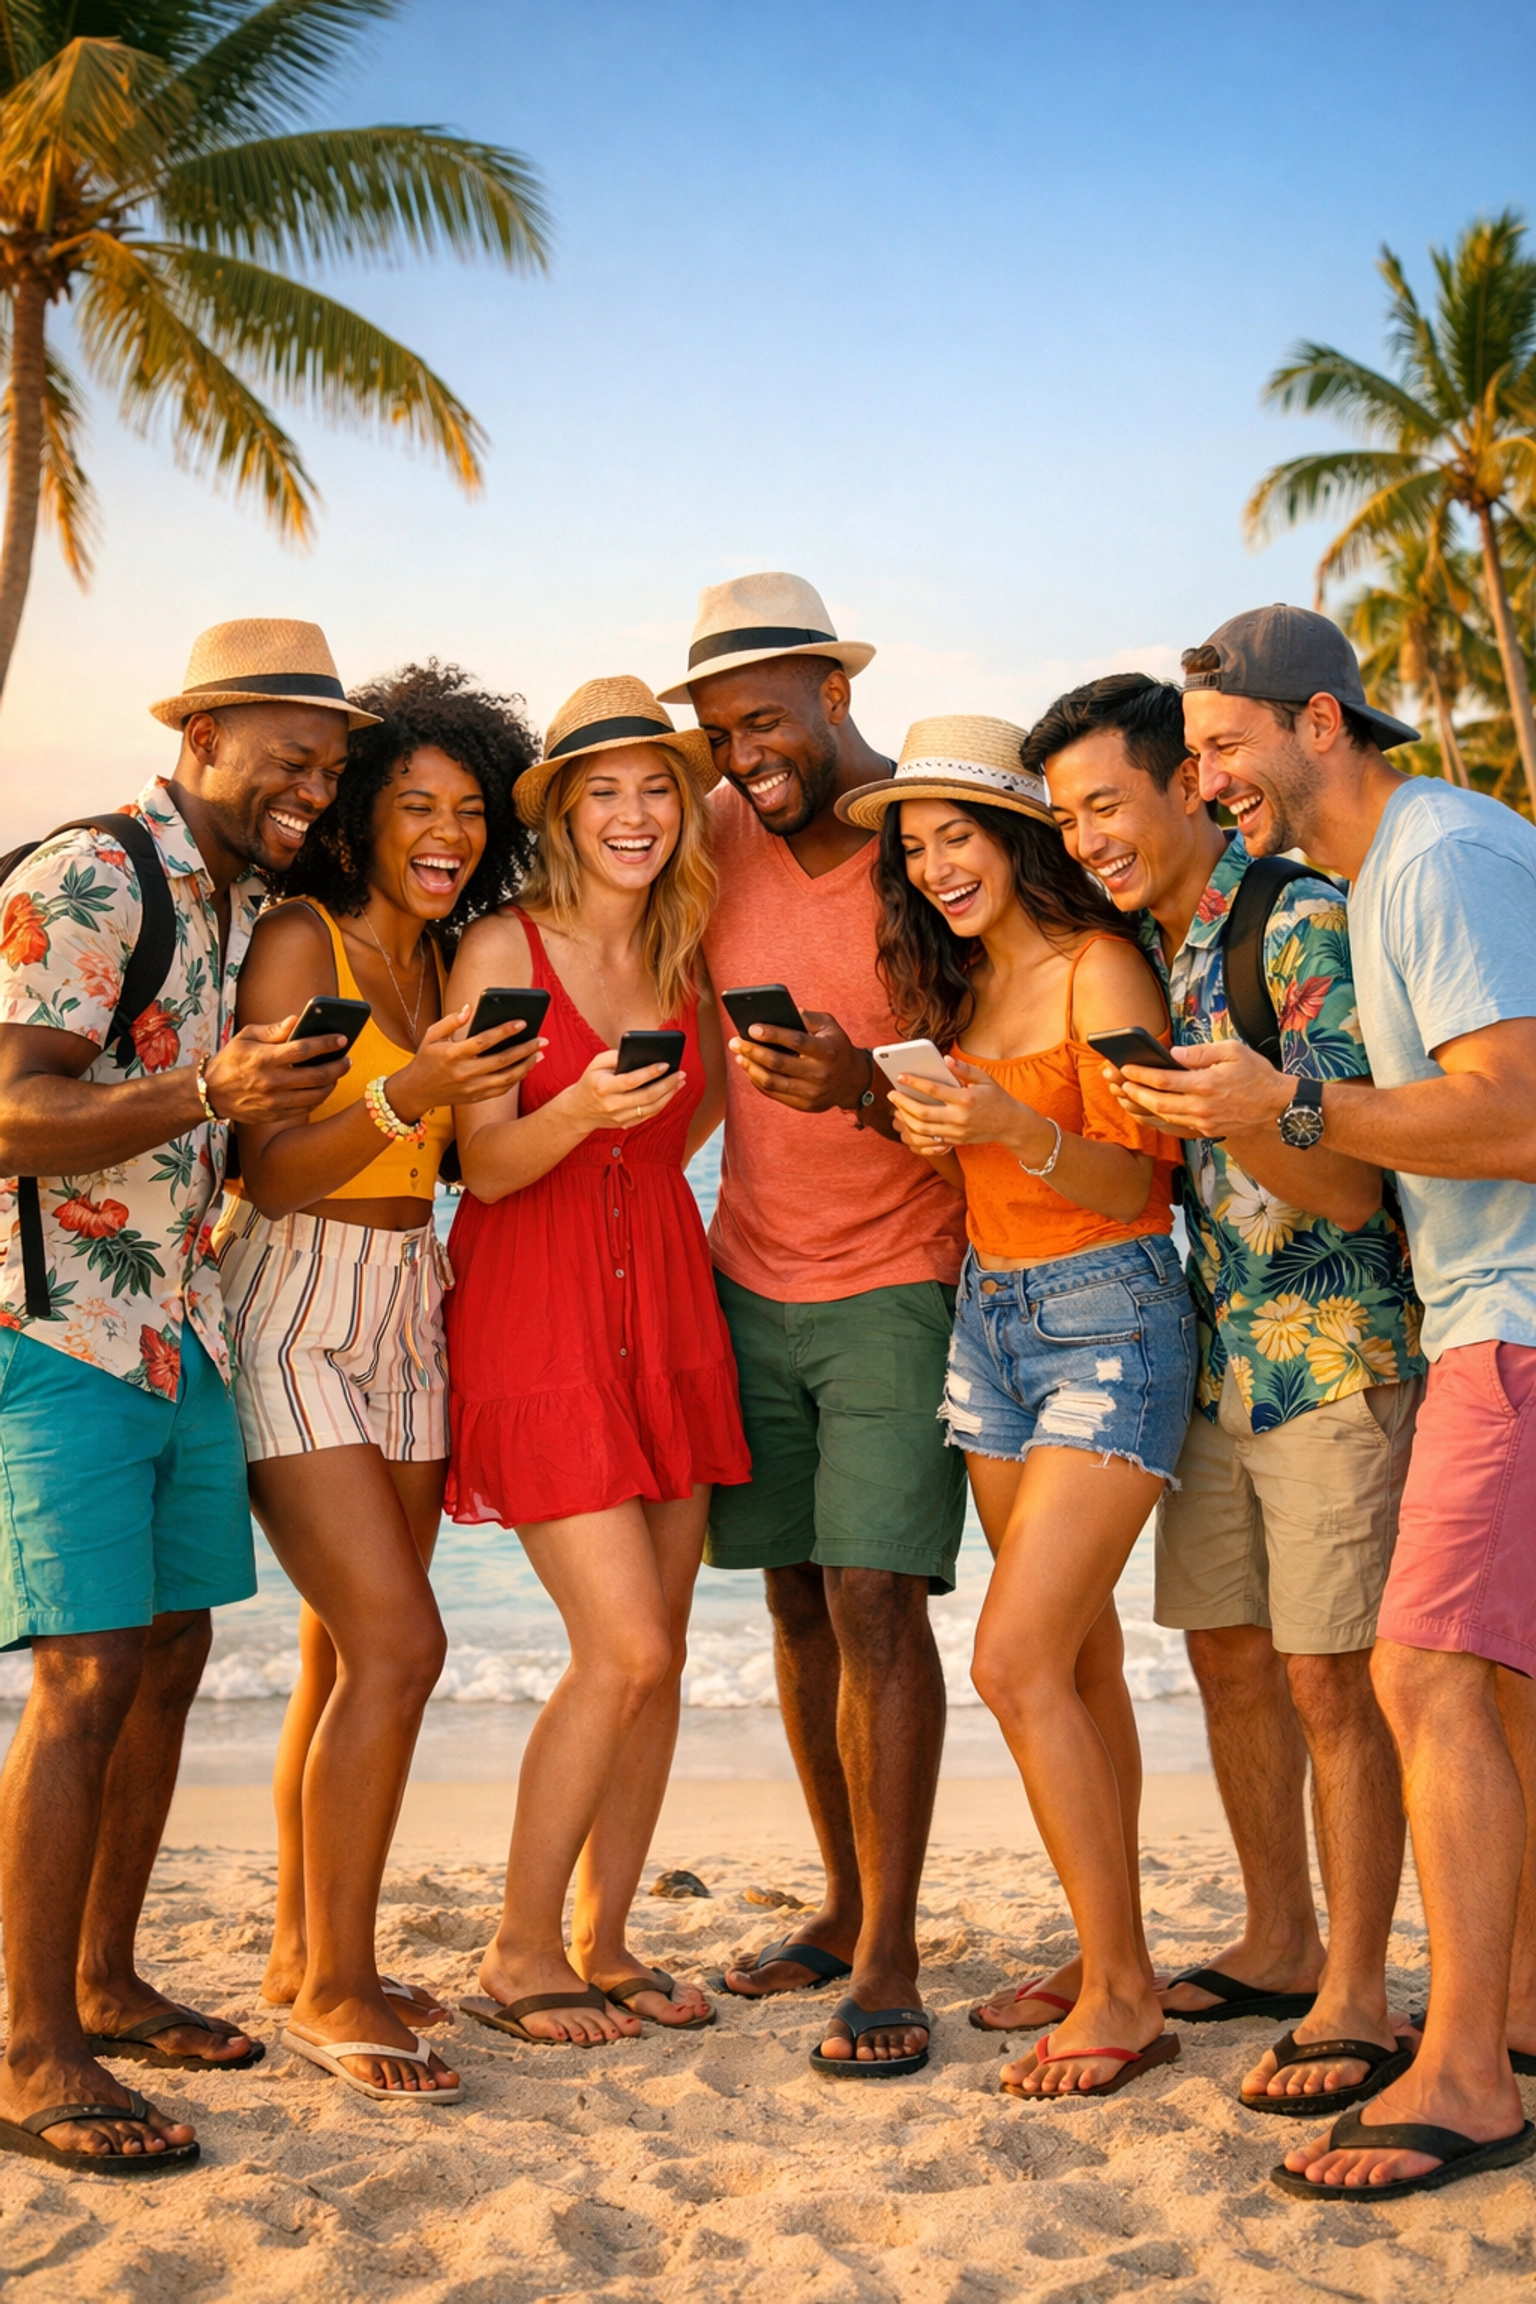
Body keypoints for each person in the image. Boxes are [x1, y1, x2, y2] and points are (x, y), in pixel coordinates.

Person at [1118, 602, 1536, 2199]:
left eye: (1223, 746)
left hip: (1508, 1311)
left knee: (1422, 1673)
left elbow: (1517, 1115)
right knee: (1486, 1682)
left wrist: (1287, 1099)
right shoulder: (1396, 871)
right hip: (1485, 1313)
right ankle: (1512, 2015)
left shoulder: (1431, 857)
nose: (1208, 777)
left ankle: (1466, 2073)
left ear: (1319, 726)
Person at [0, 620, 362, 2173]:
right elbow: (11, 1110)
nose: (311, 786)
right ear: (202, 732)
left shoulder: (243, 902)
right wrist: (205, 1093)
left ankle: (105, 1980)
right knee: (82, 1674)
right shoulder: (93, 877)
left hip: (179, 1322)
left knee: (169, 1651)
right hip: (54, 1332)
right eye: (289, 755)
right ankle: (29, 2051)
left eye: (330, 767)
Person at [1037, 671, 1424, 2119]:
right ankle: (1277, 1937)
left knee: (1336, 1677)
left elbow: (1355, 1172)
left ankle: (1359, 1990)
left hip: (1334, 1354)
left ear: (1186, 786)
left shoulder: (1292, 918)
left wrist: (1236, 1115)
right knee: (1231, 1656)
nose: (1089, 839)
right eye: (1068, 819)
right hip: (1214, 1356)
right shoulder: (1145, 942)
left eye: (1108, 806)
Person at [847, 714, 1193, 2098]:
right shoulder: (965, 988)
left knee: (1011, 1659)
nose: (935, 865)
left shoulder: (1101, 966)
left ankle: (1122, 1995)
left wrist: (1007, 1127)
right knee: (1080, 1667)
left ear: (1017, 838)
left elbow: (1134, 1182)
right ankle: (1116, 1954)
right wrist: (938, 1133)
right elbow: (994, 1180)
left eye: (958, 836)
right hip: (990, 1326)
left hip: (1112, 1317)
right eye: (915, 846)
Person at [217, 663, 543, 2102]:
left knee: (346, 1656)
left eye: (468, 810)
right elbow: (271, 1168)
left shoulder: (446, 957)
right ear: (358, 815)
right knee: (403, 1649)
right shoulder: (307, 942)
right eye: (415, 804)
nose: (447, 832)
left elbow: (459, 1157)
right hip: (298, 1296)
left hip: (416, 1298)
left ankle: (307, 1949)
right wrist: (411, 1095)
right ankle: (334, 1987)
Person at [663, 574, 969, 2078]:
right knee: (790, 1600)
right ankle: (846, 1905)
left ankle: (897, 1955)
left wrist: (866, 1089)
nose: (740, 759)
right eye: (719, 734)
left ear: (834, 694)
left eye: (763, 723)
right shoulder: (718, 833)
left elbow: (1005, 1069)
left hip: (903, 1275)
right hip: (749, 1270)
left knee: (873, 1600)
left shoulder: (931, 840)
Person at [443, 676, 749, 2047]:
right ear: (564, 813)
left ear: (684, 809)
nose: (635, 814)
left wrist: (616, 1138)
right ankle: (519, 1948)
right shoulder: (503, 950)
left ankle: (606, 1936)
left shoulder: (689, 956)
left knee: (665, 1652)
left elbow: (686, 1131)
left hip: (668, 1313)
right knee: (618, 1647)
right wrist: (575, 1111)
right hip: (538, 1315)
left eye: (657, 787)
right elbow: (488, 1163)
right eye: (603, 790)